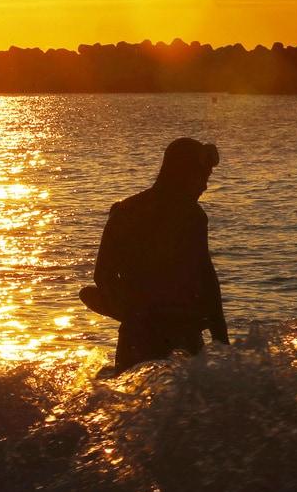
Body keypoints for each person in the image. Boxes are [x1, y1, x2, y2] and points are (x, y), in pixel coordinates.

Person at [88, 138, 228, 372]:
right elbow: (207, 281)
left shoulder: (124, 211)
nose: (205, 186)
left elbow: (102, 277)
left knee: (128, 400)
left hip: (136, 337)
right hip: (182, 336)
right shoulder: (191, 216)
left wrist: (132, 314)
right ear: (183, 174)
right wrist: (222, 342)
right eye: (202, 177)